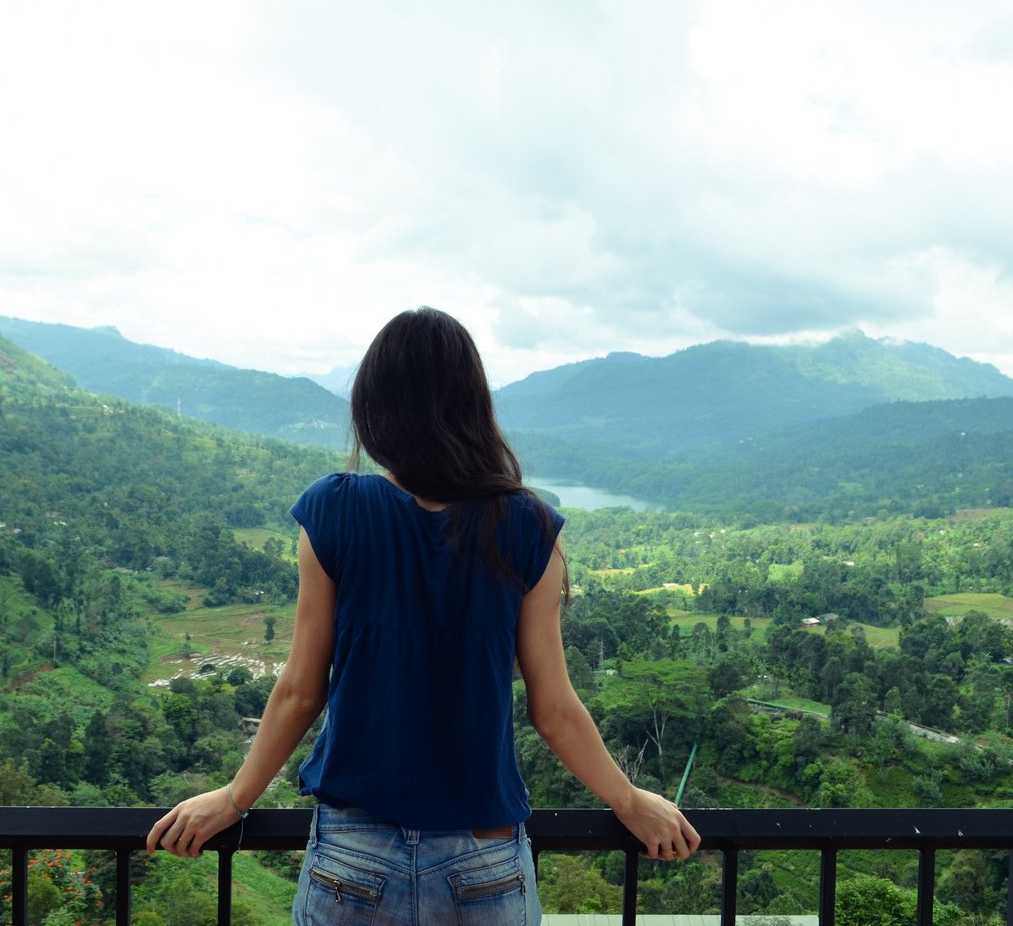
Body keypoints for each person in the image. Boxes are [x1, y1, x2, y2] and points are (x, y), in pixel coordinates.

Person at [146, 307, 701, 922]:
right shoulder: (525, 525)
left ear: (373, 406)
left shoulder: (335, 511)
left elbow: (302, 691)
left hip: (354, 853)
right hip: (485, 858)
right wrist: (627, 799)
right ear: (472, 404)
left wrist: (234, 797)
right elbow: (554, 708)